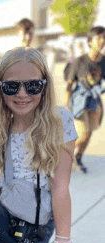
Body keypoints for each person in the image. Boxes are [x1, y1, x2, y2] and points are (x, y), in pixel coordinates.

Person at [0, 47, 78, 243]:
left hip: (34, 224)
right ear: (0, 88)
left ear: (45, 86)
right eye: (11, 86)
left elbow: (60, 188)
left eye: (33, 86)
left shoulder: (59, 122)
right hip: (2, 213)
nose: (22, 94)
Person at [66, 26, 105, 173]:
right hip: (79, 101)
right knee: (82, 134)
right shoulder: (79, 62)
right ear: (89, 41)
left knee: (90, 133)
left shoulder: (104, 62)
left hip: (94, 101)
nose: (102, 41)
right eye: (98, 37)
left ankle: (78, 157)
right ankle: (59, 156)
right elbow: (69, 85)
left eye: (104, 37)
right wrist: (67, 105)